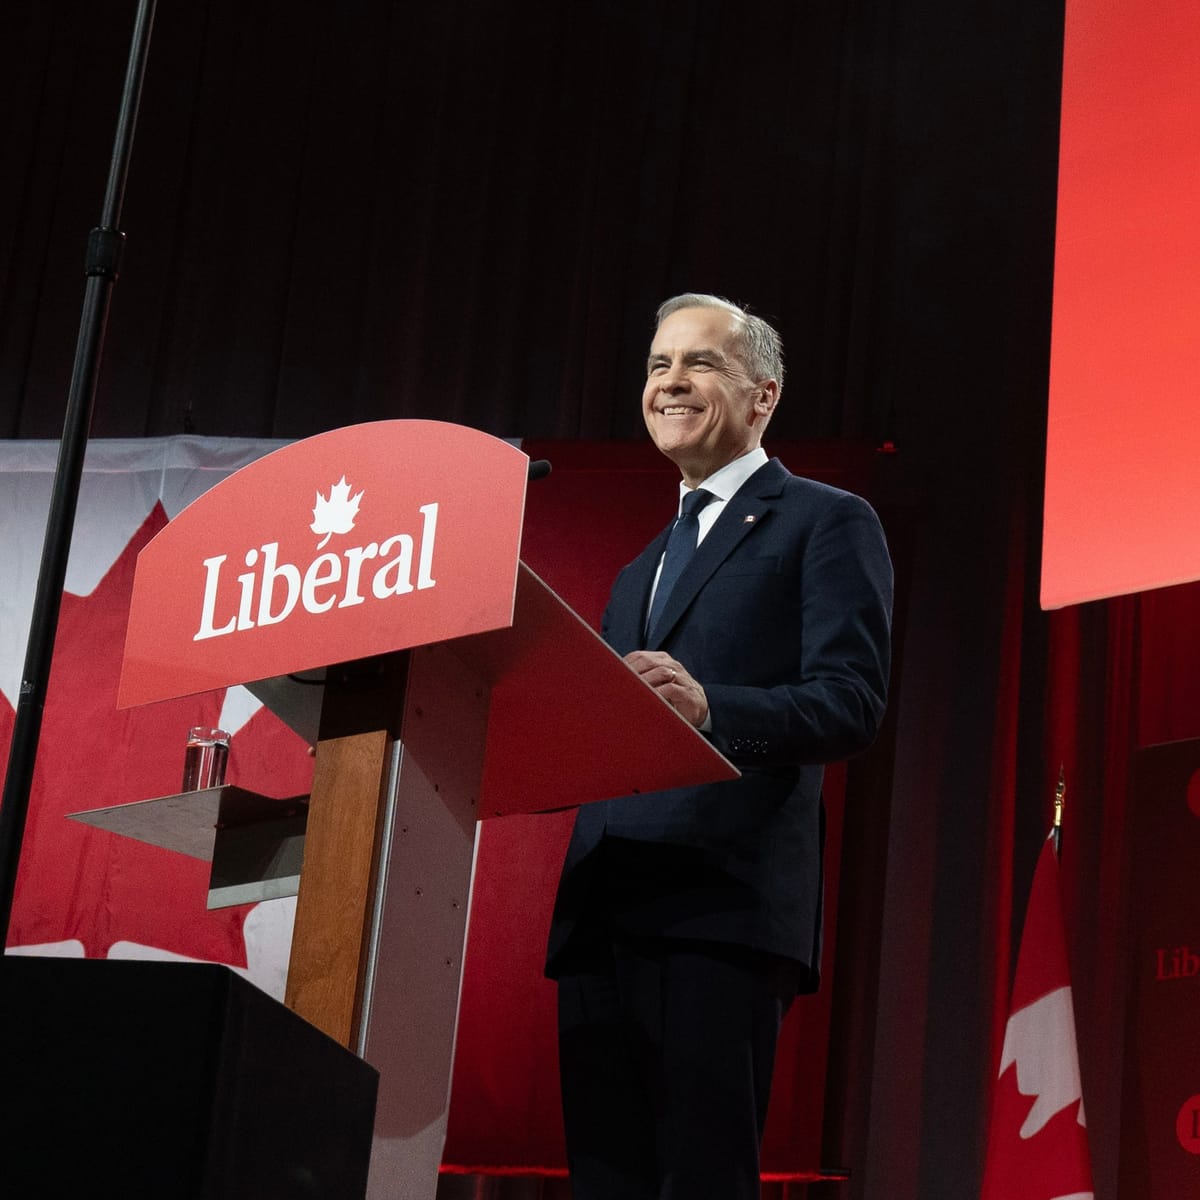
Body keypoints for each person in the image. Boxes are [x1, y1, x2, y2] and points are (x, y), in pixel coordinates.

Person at [545, 294, 893, 1199]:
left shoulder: (826, 520)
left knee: (700, 1179)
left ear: (762, 395)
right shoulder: (636, 570)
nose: (670, 382)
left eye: (697, 363)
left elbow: (851, 702)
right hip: (602, 909)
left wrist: (711, 707)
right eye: (658, 365)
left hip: (717, 907)